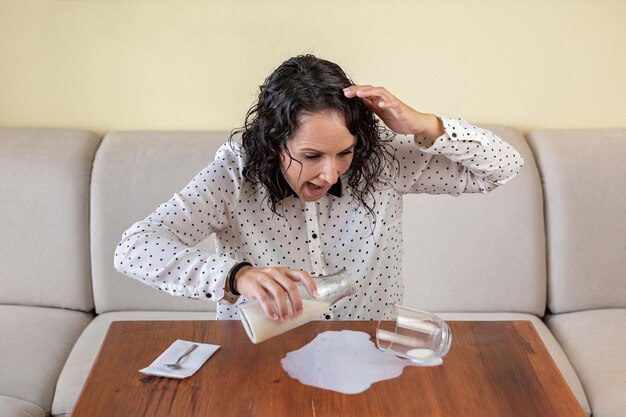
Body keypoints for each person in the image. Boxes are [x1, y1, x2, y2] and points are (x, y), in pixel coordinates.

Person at [114, 54, 523, 322]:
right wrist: (234, 275)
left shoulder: (383, 160)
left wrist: (426, 125)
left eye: (344, 153)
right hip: (259, 355)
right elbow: (134, 248)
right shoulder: (233, 175)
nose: (330, 174)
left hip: (370, 348)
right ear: (275, 141)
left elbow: (502, 168)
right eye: (311, 156)